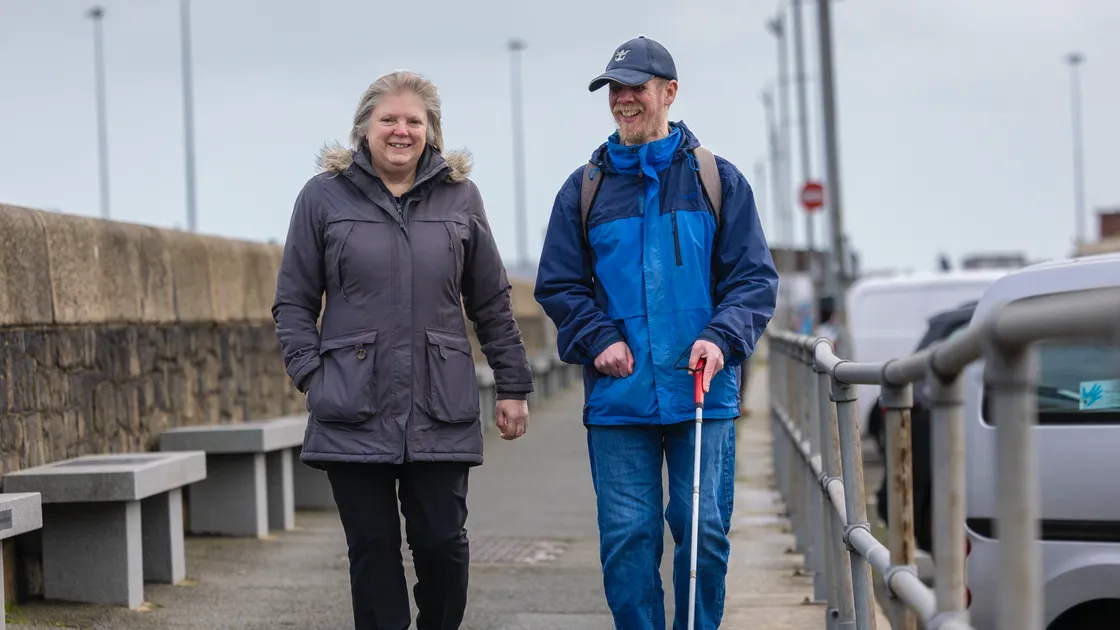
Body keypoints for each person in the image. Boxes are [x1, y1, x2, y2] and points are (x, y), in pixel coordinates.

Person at [272, 70, 533, 630]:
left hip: (439, 404)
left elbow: (489, 300)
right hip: (350, 404)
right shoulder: (322, 197)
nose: (400, 130)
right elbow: (292, 302)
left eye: (414, 120)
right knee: (371, 550)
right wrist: (313, 378)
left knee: (443, 545)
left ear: (432, 131)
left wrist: (512, 385)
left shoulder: (461, 198)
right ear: (364, 127)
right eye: (388, 119)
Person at [534, 36, 779, 629]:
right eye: (614, 89)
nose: (623, 100)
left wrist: (720, 339)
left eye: (635, 87)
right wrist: (599, 338)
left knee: (702, 533)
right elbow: (559, 284)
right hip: (619, 400)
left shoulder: (716, 179)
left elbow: (753, 282)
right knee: (627, 538)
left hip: (702, 393)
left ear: (669, 93)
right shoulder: (583, 189)